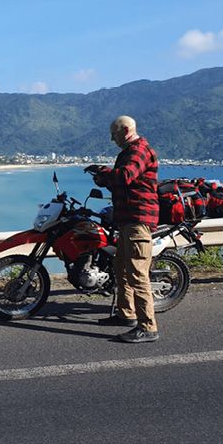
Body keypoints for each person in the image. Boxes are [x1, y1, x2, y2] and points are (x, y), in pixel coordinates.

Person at [88, 115, 160, 343]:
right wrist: (103, 176)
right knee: (121, 268)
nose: (112, 138)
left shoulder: (139, 150)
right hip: (127, 220)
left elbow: (126, 175)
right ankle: (126, 314)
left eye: (115, 133)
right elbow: (119, 179)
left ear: (127, 130)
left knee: (138, 273)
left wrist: (104, 173)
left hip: (138, 221)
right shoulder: (130, 151)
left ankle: (148, 327)